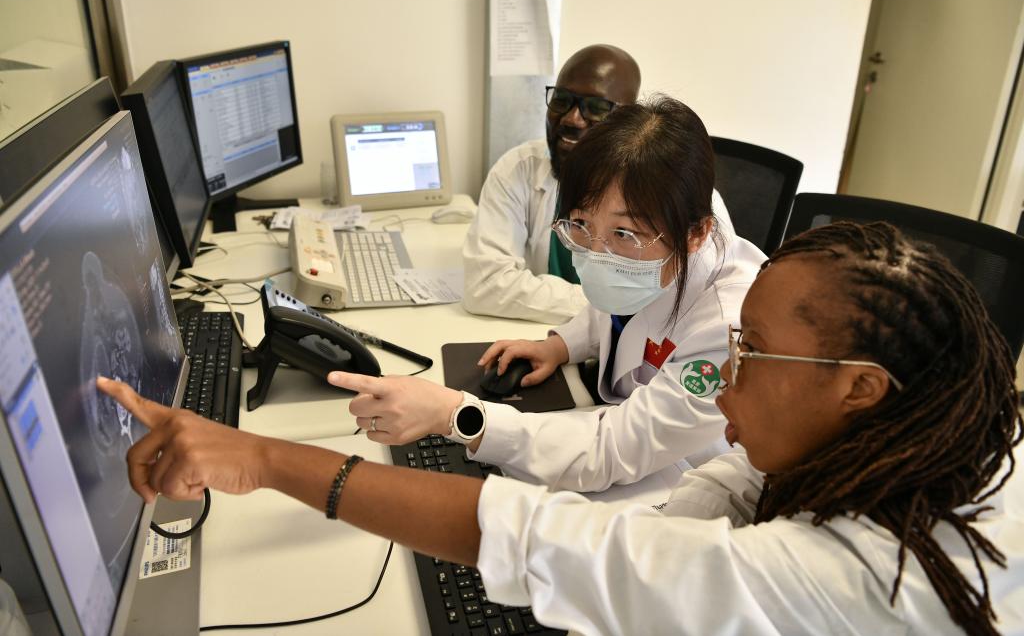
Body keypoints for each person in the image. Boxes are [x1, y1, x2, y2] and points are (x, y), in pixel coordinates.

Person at [100, 221, 1023, 634]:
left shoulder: (858, 577)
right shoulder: (926, 449)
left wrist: (265, 459)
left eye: (753, 353)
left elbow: (572, 536)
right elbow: (725, 493)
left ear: (859, 389)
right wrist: (633, 560)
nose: (725, 379)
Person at [352, 96, 764, 490]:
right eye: (581, 224)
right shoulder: (653, 252)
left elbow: (610, 451)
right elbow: (614, 305)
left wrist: (456, 415)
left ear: (696, 234)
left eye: (623, 233)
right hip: (630, 439)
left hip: (692, 479)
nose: (597, 254)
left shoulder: (728, 327)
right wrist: (561, 345)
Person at [463, 43, 735, 324]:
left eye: (596, 108)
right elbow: (486, 285)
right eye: (561, 100)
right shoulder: (519, 168)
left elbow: (701, 302)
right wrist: (611, 305)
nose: (572, 118)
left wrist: (614, 306)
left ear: (628, 122)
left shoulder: (684, 199)